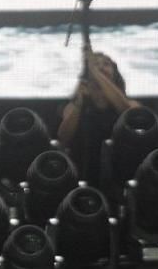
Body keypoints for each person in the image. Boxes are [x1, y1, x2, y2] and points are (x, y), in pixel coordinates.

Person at [56, 50, 140, 187]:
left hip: (122, 177)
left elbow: (129, 114)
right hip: (82, 177)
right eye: (96, 65)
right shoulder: (73, 106)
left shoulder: (130, 104)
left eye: (106, 64)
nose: (100, 67)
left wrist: (95, 71)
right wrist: (79, 102)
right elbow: (63, 138)